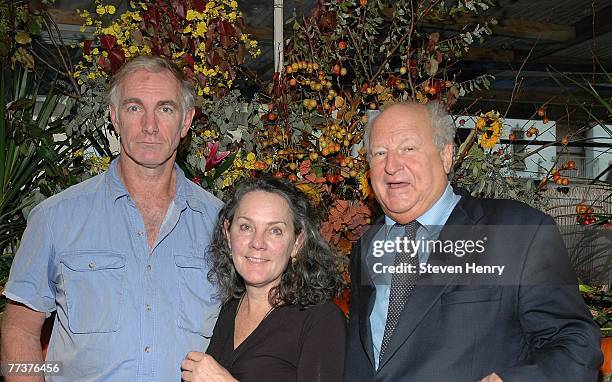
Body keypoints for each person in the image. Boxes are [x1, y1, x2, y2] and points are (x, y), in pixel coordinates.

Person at [344, 101, 603, 381]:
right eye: (379, 153)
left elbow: (577, 345)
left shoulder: (517, 233)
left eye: (408, 148)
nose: (391, 165)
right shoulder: (367, 247)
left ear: (445, 156)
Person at [1, 56, 223, 381]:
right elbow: (19, 328)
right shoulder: (55, 218)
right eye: (134, 108)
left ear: (186, 120)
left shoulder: (222, 224)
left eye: (165, 109)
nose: (150, 125)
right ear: (115, 117)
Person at [180, 176, 347, 382]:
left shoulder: (321, 320)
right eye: (246, 227)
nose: (257, 243)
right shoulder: (228, 308)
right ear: (227, 234)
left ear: (297, 243)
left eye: (275, 230)